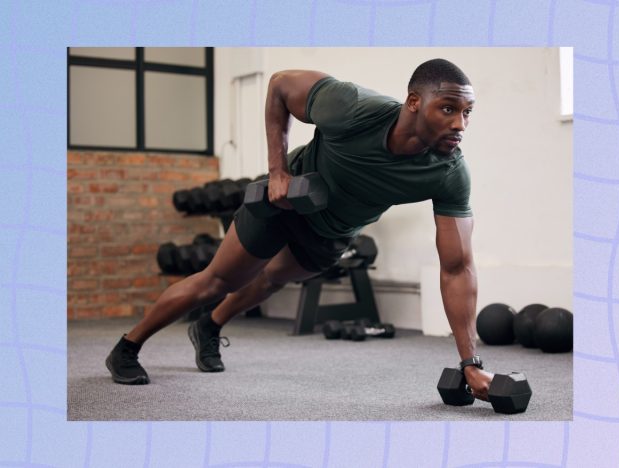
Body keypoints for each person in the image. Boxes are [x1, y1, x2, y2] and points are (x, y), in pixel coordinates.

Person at [106, 58, 495, 401]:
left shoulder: (448, 173)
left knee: (271, 279)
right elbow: (278, 84)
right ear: (414, 102)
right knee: (218, 281)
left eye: (468, 112)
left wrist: (470, 362)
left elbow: (457, 267)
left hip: (333, 232)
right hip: (284, 203)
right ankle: (127, 347)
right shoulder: (352, 107)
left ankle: (209, 326)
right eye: (447, 108)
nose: (459, 124)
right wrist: (277, 171)